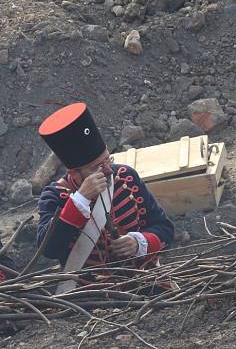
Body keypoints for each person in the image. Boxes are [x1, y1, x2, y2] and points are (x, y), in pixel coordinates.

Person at [36, 102, 174, 271]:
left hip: (145, 280)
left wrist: (139, 242)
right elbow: (49, 250)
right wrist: (80, 199)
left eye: (108, 159)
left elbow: (165, 228)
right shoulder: (54, 195)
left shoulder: (126, 176)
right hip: (91, 293)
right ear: (74, 173)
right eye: (97, 167)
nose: (108, 170)